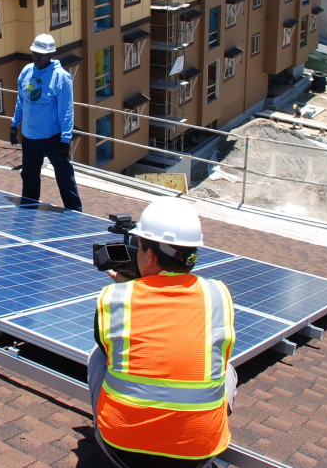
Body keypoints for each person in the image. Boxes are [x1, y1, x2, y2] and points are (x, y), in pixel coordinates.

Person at [89, 198, 237, 468]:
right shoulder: (218, 293)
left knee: (99, 357)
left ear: (150, 255)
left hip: (124, 451)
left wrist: (129, 287)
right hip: (198, 456)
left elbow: (108, 348)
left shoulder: (115, 297)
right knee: (226, 367)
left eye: (139, 248)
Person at [9, 33, 81, 211]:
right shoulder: (27, 71)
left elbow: (66, 110)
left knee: (64, 176)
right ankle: (28, 209)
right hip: (29, 136)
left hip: (53, 137)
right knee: (29, 175)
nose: (36, 57)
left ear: (50, 55)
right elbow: (22, 100)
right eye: (34, 53)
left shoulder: (61, 77)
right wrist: (14, 123)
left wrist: (65, 139)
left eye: (40, 55)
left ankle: (75, 212)